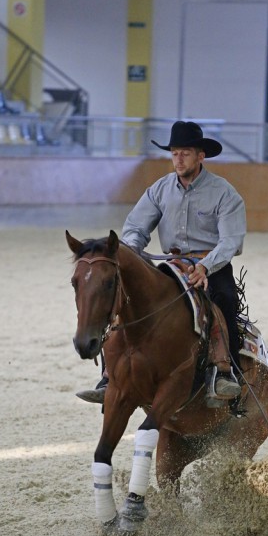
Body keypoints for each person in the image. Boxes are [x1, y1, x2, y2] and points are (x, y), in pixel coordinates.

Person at [77, 120, 246, 406]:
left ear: (200, 156)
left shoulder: (224, 193)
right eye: (175, 153)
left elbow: (230, 241)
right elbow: (135, 228)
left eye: (186, 153)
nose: (178, 159)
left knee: (225, 299)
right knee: (125, 299)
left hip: (211, 265)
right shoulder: (159, 190)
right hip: (172, 264)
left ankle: (226, 372)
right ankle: (110, 376)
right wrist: (130, 255)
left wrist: (206, 266)